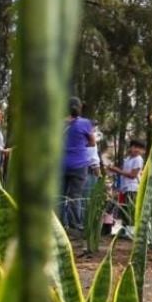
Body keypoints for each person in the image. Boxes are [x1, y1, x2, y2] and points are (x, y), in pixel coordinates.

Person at [60, 98, 95, 229]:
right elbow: (92, 142)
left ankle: (59, 224)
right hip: (80, 165)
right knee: (75, 195)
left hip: (62, 164)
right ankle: (75, 225)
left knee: (60, 195)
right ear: (80, 108)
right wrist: (80, 145)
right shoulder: (86, 123)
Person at [107, 140, 145, 227]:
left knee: (129, 210)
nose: (136, 150)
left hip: (133, 188)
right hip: (125, 188)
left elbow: (132, 175)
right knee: (124, 209)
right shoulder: (127, 159)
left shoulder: (138, 159)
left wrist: (117, 170)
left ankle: (130, 229)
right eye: (134, 147)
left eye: (139, 148)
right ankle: (125, 228)